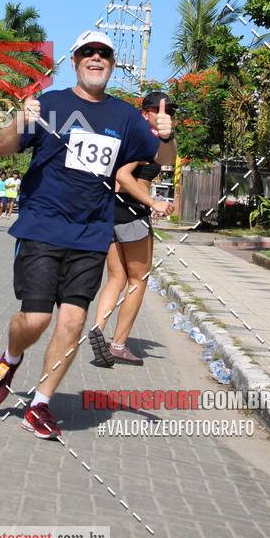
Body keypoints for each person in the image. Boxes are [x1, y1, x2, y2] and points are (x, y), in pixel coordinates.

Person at [0, 32, 176, 439]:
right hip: (42, 226)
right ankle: (11, 357)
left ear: (111, 63)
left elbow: (163, 160)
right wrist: (20, 118)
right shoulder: (51, 104)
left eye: (104, 53)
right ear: (75, 61)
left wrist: (167, 134)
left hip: (91, 233)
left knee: (72, 321)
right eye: (88, 52)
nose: (95, 58)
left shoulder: (124, 116)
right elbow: (3, 149)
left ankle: (40, 404)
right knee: (35, 320)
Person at [89, 92, 176, 367]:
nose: (166, 115)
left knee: (116, 278)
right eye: (159, 110)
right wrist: (153, 203)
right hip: (130, 211)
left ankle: (98, 330)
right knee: (139, 279)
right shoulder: (144, 136)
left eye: (170, 111)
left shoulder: (131, 135)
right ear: (145, 112)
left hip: (109, 211)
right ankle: (118, 345)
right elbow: (123, 176)